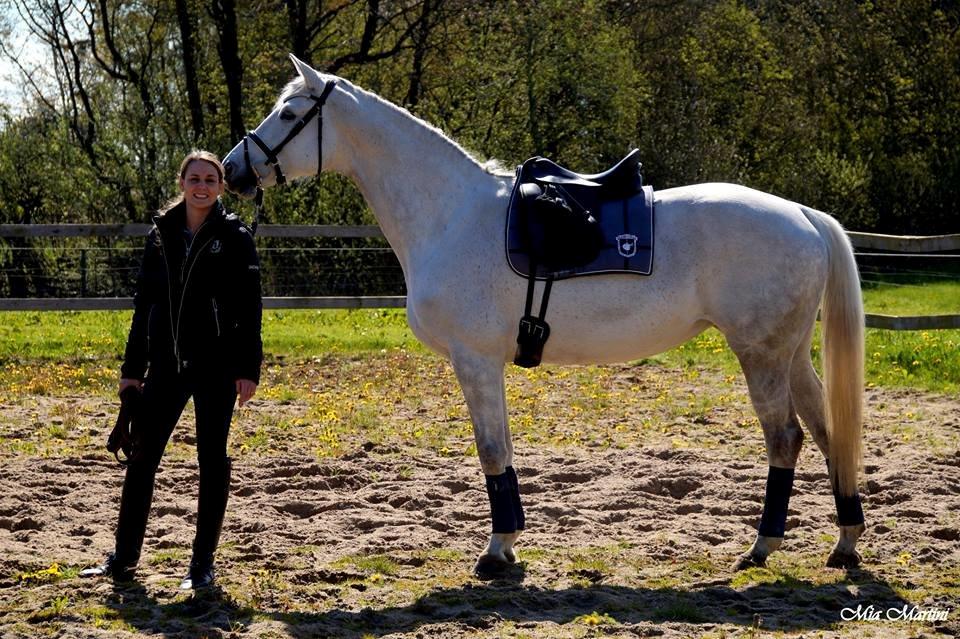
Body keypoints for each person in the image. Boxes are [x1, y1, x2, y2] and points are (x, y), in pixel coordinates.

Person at [80, 150, 262, 590]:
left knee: (211, 460)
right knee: (141, 457)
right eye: (195, 177)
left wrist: (248, 368)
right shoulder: (160, 233)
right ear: (182, 182)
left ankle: (202, 565)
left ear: (220, 186)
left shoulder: (235, 236)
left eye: (211, 179)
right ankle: (123, 558)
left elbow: (249, 308)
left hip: (217, 368)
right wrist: (131, 369)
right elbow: (144, 304)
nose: (202, 185)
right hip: (165, 364)